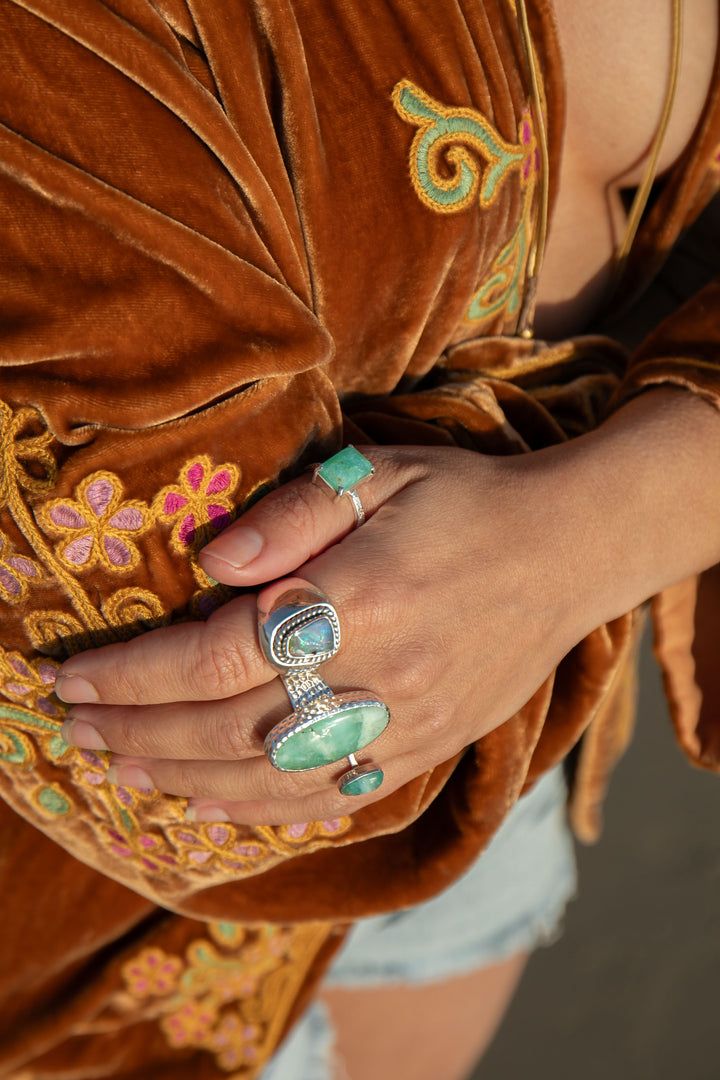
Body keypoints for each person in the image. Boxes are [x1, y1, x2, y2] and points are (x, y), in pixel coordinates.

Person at [1, 1, 719, 1078]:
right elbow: (162, 708)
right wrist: (636, 496)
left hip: (514, 776)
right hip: (99, 965)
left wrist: (581, 537)